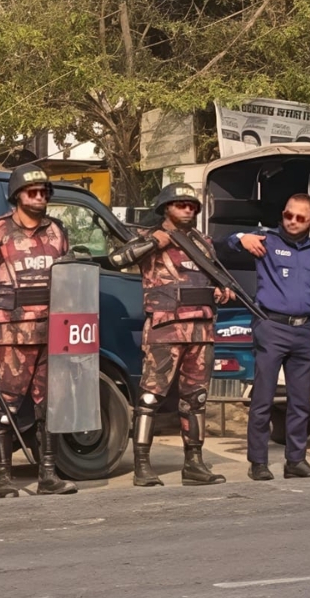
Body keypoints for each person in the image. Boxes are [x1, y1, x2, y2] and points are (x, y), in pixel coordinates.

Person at [108, 183, 233, 487]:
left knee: (196, 399)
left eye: (191, 205)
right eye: (180, 204)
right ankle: (142, 465)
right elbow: (117, 260)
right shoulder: (148, 237)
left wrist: (220, 290)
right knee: (150, 397)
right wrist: (154, 243)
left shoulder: (203, 243)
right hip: (166, 328)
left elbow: (211, 275)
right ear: (166, 207)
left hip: (201, 330)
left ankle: (194, 463)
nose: (187, 209)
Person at [0, 163, 78, 499]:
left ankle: (48, 475)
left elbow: (72, 279)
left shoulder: (58, 231)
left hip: (54, 332)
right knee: (7, 405)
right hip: (12, 332)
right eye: (33, 191)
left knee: (51, 407)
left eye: (44, 191)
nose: (40, 196)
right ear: (17, 195)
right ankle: (4, 479)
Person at [228, 194, 310, 480]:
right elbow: (226, 242)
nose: (292, 221)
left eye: (300, 218)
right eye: (288, 215)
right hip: (271, 327)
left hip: (304, 330)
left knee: (300, 401)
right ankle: (259, 463)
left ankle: (296, 461)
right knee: (263, 398)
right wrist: (241, 236)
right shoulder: (267, 240)